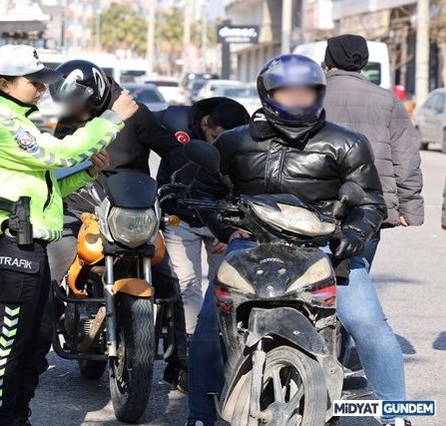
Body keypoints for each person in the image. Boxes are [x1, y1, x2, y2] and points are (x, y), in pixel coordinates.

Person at [185, 54, 409, 426]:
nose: (298, 100)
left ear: (319, 93)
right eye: (288, 93)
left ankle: (396, 413)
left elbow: (371, 202)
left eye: (307, 93)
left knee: (366, 322)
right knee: (210, 323)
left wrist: (354, 234)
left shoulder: (346, 142)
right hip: (252, 244)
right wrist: (226, 228)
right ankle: (200, 415)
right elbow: (207, 193)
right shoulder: (233, 142)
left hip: (323, 246)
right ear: (268, 94)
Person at [0, 45, 138, 426]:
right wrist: (113, 118)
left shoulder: (13, 115)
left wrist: (87, 175)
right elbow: (58, 155)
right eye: (34, 81)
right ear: (4, 84)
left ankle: (17, 415)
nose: (42, 88)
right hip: (5, 239)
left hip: (26, 238)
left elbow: (43, 186)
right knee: (9, 339)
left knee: (35, 339)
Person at [48, 59, 190, 390]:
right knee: (52, 266)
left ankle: (179, 362)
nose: (75, 112)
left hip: (131, 209)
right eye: (71, 107)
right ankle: (36, 343)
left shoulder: (133, 112)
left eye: (81, 106)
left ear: (96, 94)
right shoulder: (71, 113)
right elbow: (59, 158)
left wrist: (186, 176)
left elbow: (171, 149)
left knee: (168, 279)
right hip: (82, 203)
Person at [322, 34, 424, 268]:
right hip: (369, 209)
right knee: (357, 274)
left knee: (313, 282)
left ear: (328, 59)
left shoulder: (311, 96)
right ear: (363, 62)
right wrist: (408, 207)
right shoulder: (387, 100)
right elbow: (406, 157)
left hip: (315, 204)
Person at [155, 98, 250, 336]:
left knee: (224, 286)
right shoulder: (175, 127)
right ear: (206, 123)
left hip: (222, 220)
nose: (222, 146)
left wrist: (226, 228)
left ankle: (220, 340)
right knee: (186, 285)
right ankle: (190, 344)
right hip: (181, 218)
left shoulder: (246, 140)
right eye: (216, 138)